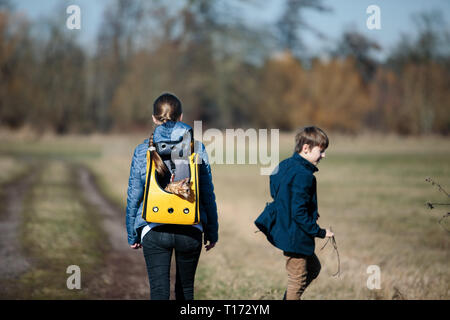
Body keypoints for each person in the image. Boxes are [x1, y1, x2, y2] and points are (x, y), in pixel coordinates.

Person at [125, 92, 219, 300]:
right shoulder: (197, 147)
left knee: (159, 292)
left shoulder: (143, 150)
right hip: (190, 227)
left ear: (154, 118)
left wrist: (133, 233)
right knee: (185, 292)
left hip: (154, 227)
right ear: (181, 117)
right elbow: (206, 193)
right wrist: (212, 231)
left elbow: (134, 195)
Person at [255, 126, 334, 300]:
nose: (324, 155)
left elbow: (277, 190)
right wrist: (320, 232)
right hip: (295, 235)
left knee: (313, 267)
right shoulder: (304, 175)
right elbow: (298, 213)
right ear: (306, 148)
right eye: (321, 151)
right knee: (296, 282)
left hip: (288, 230)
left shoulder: (283, 165)